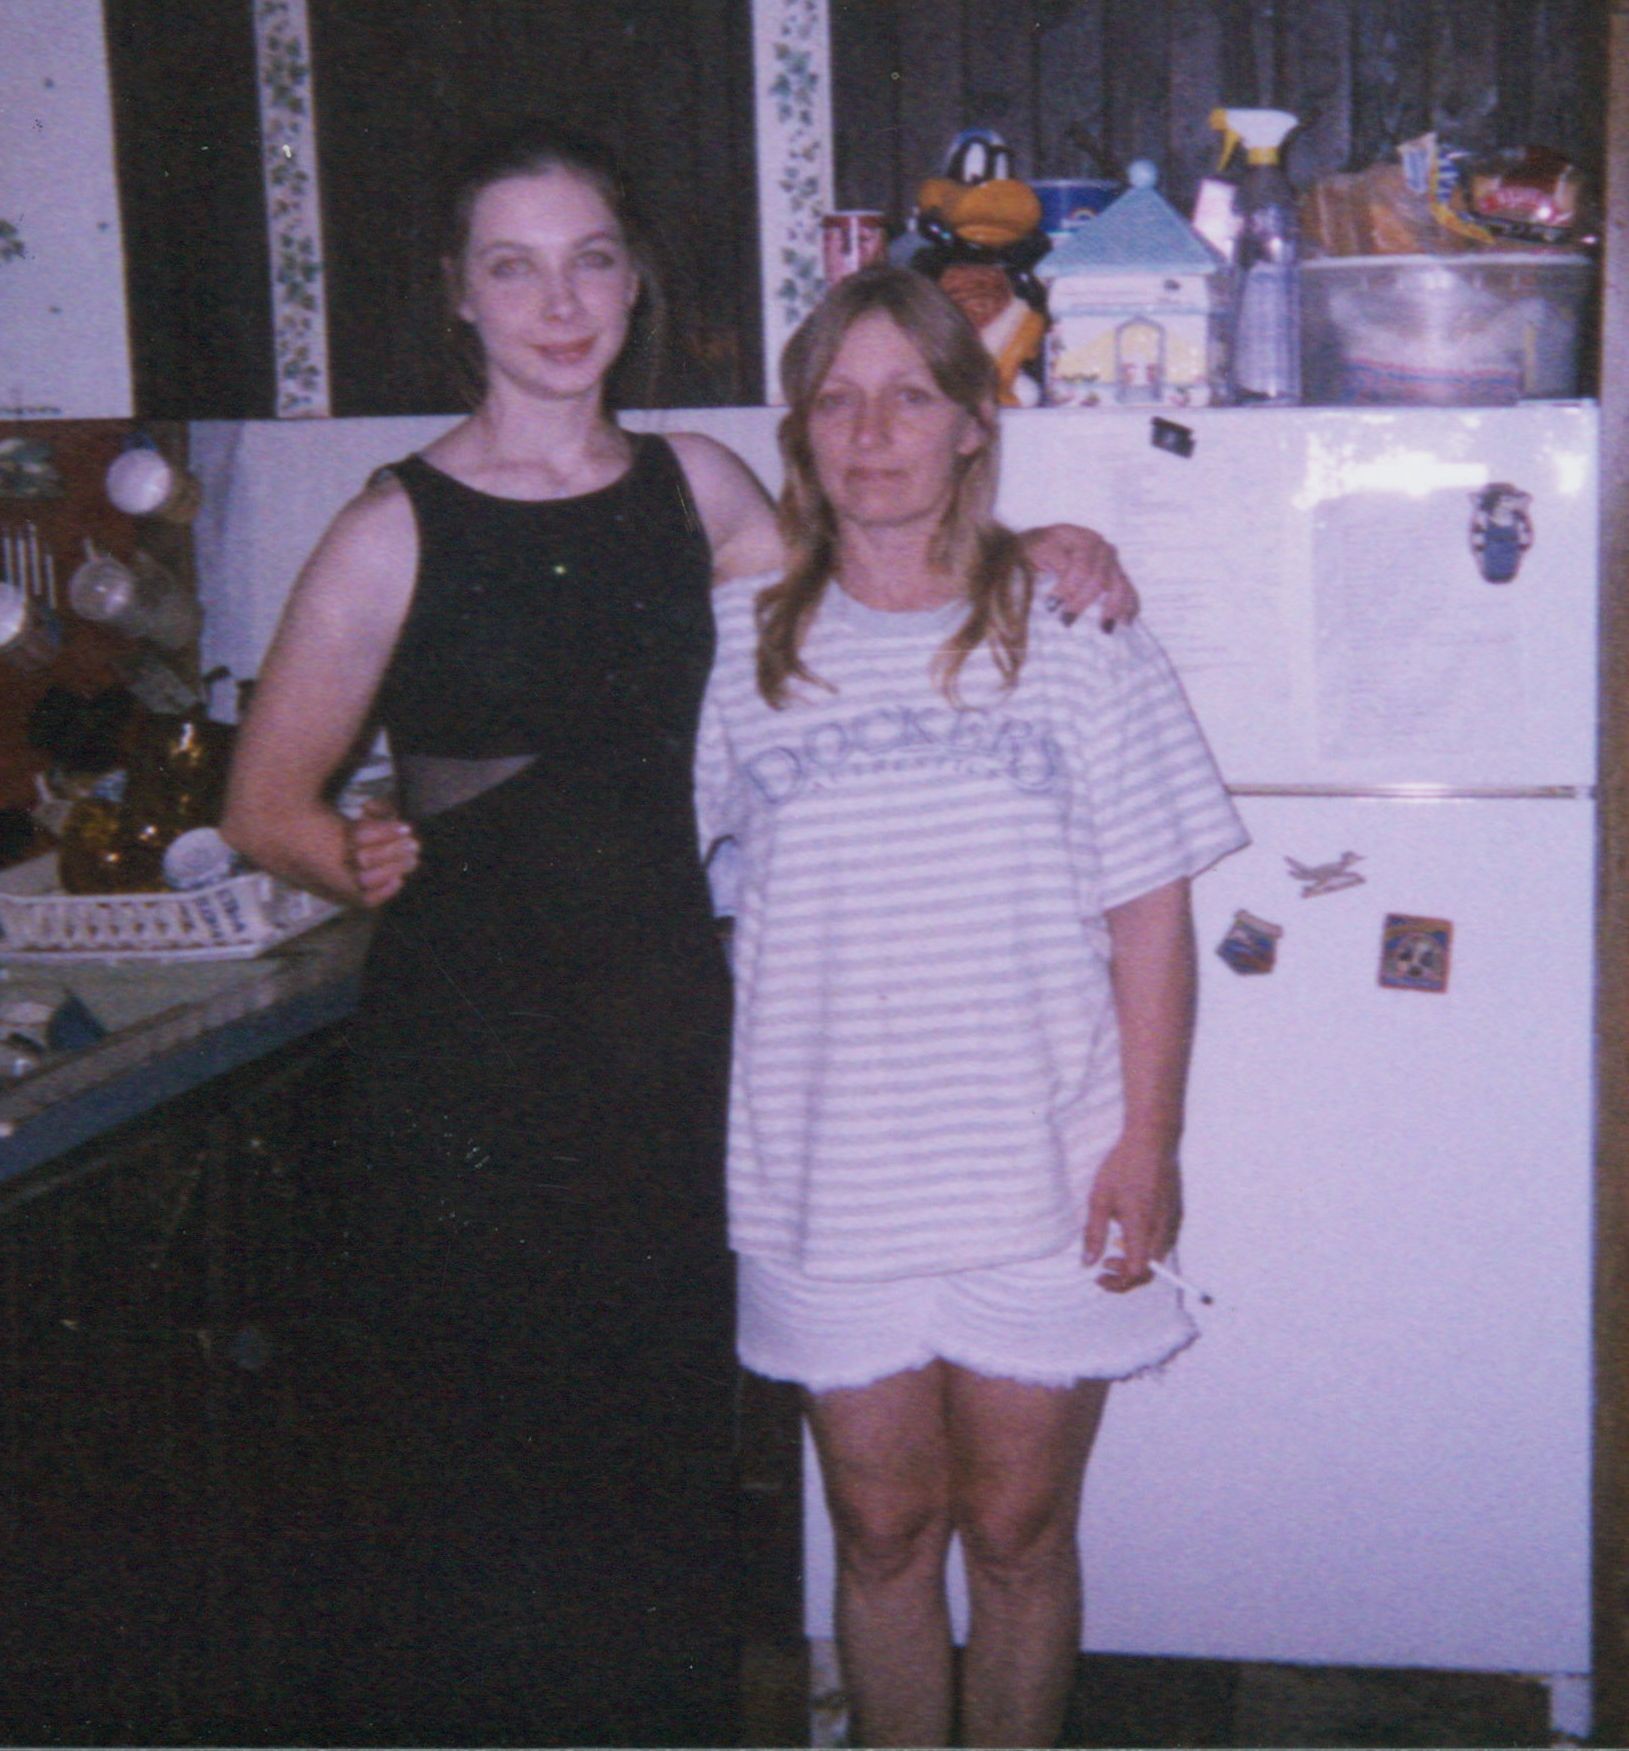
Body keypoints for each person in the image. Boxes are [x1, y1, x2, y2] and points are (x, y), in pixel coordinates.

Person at [221, 122, 1136, 1747]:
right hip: (469, 1066)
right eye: (513, 267)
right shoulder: (392, 523)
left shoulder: (699, 490)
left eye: (590, 261)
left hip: (665, 1063)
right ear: (460, 295)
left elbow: (872, 590)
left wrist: (1040, 549)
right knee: (476, 1458)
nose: (558, 303)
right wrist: (353, 854)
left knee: (649, 1461)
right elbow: (262, 805)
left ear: (633, 284)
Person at [695, 265, 1248, 1749]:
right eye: (835, 401)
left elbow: (1150, 913)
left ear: (969, 427)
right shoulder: (735, 648)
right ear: (800, 435)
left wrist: (1149, 1140)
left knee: (1015, 1531)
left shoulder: (1068, 625)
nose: (872, 432)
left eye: (910, 396)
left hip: (1042, 1172)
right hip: (825, 1183)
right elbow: (637, 862)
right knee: (879, 1535)